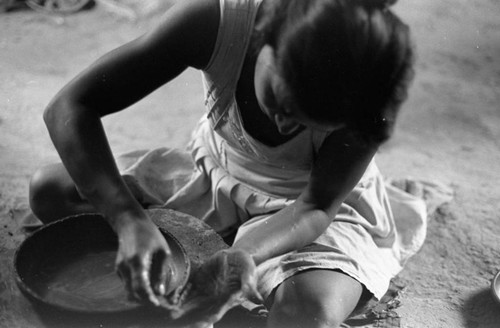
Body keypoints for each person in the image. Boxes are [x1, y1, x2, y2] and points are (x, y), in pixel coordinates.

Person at [29, 0, 426, 327]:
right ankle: (186, 241)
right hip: (216, 171)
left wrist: (243, 256)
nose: (285, 125)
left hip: (303, 210)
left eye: (310, 122)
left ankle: (221, 256)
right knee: (51, 190)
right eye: (283, 103)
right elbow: (69, 107)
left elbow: (316, 206)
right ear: (267, 37)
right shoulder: (215, 22)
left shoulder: (369, 91)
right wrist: (127, 219)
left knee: (309, 314)